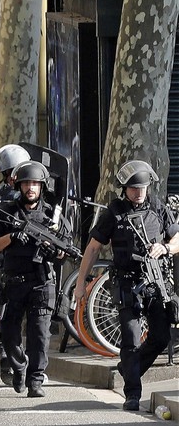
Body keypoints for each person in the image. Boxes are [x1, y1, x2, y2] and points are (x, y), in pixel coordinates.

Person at [74, 160, 179, 411]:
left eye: (142, 187)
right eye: (134, 188)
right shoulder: (114, 212)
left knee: (161, 337)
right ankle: (132, 393)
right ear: (125, 188)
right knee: (130, 340)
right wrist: (80, 284)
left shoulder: (157, 207)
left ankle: (128, 369)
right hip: (127, 283)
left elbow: (177, 238)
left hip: (155, 282)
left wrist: (164, 247)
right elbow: (93, 248)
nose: (139, 192)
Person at [0, 160, 69, 398]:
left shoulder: (53, 215)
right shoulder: (7, 211)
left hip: (42, 282)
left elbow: (66, 249)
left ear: (42, 186)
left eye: (35, 183)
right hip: (13, 282)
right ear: (19, 185)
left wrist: (55, 250)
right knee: (9, 335)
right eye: (26, 183)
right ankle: (19, 366)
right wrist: (11, 237)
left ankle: (35, 380)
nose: (30, 188)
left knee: (39, 335)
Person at [0, 143, 31, 385]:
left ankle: (9, 355)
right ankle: (13, 358)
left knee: (8, 317)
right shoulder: (16, 199)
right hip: (15, 265)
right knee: (19, 317)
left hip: (4, 266)